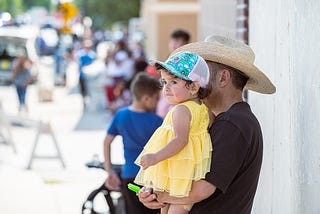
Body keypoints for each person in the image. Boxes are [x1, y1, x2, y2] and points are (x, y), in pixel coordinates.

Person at [138, 35, 276, 214]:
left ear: (223, 78)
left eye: (202, 70)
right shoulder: (221, 120)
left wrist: (162, 196)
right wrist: (155, 193)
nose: (192, 77)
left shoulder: (232, 124)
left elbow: (201, 189)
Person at [134, 51, 213, 214]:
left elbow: (180, 140)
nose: (166, 88)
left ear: (193, 87)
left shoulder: (181, 110)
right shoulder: (204, 109)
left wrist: (155, 157)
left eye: (174, 82)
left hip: (176, 172)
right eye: (164, 82)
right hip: (185, 173)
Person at [103, 72, 163, 214]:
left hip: (129, 178)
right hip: (151, 180)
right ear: (146, 98)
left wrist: (109, 169)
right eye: (156, 98)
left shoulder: (120, 115)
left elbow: (107, 142)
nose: (157, 102)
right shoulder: (157, 121)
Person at [76, 39, 96, 107]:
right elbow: (78, 63)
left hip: (90, 75)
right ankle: (84, 99)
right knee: (83, 88)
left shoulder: (92, 54)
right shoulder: (80, 54)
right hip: (82, 74)